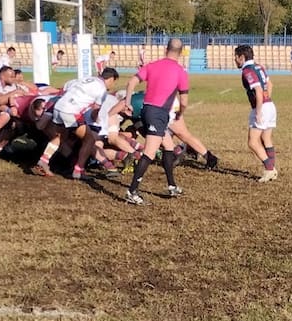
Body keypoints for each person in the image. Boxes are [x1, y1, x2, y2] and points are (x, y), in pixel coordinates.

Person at [124, 38, 189, 205]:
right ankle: (132, 191)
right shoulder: (180, 71)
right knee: (150, 153)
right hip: (158, 113)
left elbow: (131, 82)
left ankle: (171, 186)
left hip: (147, 110)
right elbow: (184, 101)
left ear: (166, 49)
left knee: (169, 146)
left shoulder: (152, 65)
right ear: (181, 52)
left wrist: (128, 102)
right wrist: (180, 114)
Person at [51, 67, 120, 180]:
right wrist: (96, 119)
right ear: (111, 79)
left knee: (61, 137)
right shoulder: (102, 89)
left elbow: (67, 88)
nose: (112, 85)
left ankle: (44, 160)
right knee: (89, 140)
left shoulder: (87, 79)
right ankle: (79, 170)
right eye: (114, 82)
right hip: (70, 112)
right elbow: (95, 111)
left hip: (58, 107)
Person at [234, 44, 278, 183]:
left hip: (262, 107)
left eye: (236, 57)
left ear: (242, 57)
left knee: (252, 142)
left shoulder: (247, 71)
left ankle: (269, 169)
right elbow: (270, 85)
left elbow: (258, 91)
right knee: (266, 139)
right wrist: (266, 100)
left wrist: (259, 111)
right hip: (270, 105)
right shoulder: (259, 67)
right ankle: (272, 170)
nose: (235, 60)